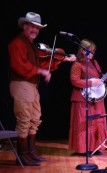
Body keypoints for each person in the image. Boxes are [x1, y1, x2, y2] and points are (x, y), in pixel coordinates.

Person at [8, 12, 76, 166]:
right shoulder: (17, 43)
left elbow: (42, 64)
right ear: (25, 26)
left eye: (38, 28)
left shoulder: (31, 45)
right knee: (24, 120)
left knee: (35, 119)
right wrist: (40, 71)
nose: (35, 30)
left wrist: (62, 60)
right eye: (32, 27)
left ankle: (31, 152)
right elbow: (20, 66)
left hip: (31, 85)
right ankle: (22, 154)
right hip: (21, 84)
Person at [68, 39, 107, 156]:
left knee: (96, 122)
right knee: (85, 124)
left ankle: (95, 148)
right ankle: (83, 149)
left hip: (96, 98)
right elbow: (75, 81)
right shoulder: (77, 64)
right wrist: (91, 83)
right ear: (82, 50)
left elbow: (100, 79)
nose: (92, 54)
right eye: (89, 51)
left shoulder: (95, 63)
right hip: (82, 99)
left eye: (93, 51)